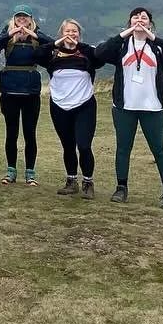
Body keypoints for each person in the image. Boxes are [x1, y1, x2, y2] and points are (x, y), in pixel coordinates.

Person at [93, 8, 163, 208]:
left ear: (150, 24)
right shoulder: (121, 47)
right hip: (124, 107)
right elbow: (99, 52)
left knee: (159, 150)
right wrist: (124, 34)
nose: (139, 20)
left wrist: (154, 38)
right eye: (135, 17)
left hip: (152, 108)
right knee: (123, 149)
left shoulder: (158, 49)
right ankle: (121, 188)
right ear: (129, 23)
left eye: (144, 18)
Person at [35, 19, 103, 199]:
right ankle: (71, 181)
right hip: (59, 106)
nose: (71, 34)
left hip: (84, 105)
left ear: (79, 35)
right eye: (67, 31)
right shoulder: (53, 55)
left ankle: (88, 182)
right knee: (68, 145)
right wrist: (56, 43)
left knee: (84, 145)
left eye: (74, 32)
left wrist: (78, 45)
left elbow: (100, 56)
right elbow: (36, 54)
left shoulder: (86, 54)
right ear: (61, 34)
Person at [0, 5, 52, 185]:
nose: (21, 20)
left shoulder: (37, 35)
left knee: (29, 133)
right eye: (18, 16)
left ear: (31, 18)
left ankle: (30, 172)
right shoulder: (7, 33)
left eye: (25, 17)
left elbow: (51, 43)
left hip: (30, 91)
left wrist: (32, 34)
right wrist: (12, 33)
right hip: (10, 89)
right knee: (11, 132)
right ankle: (11, 170)